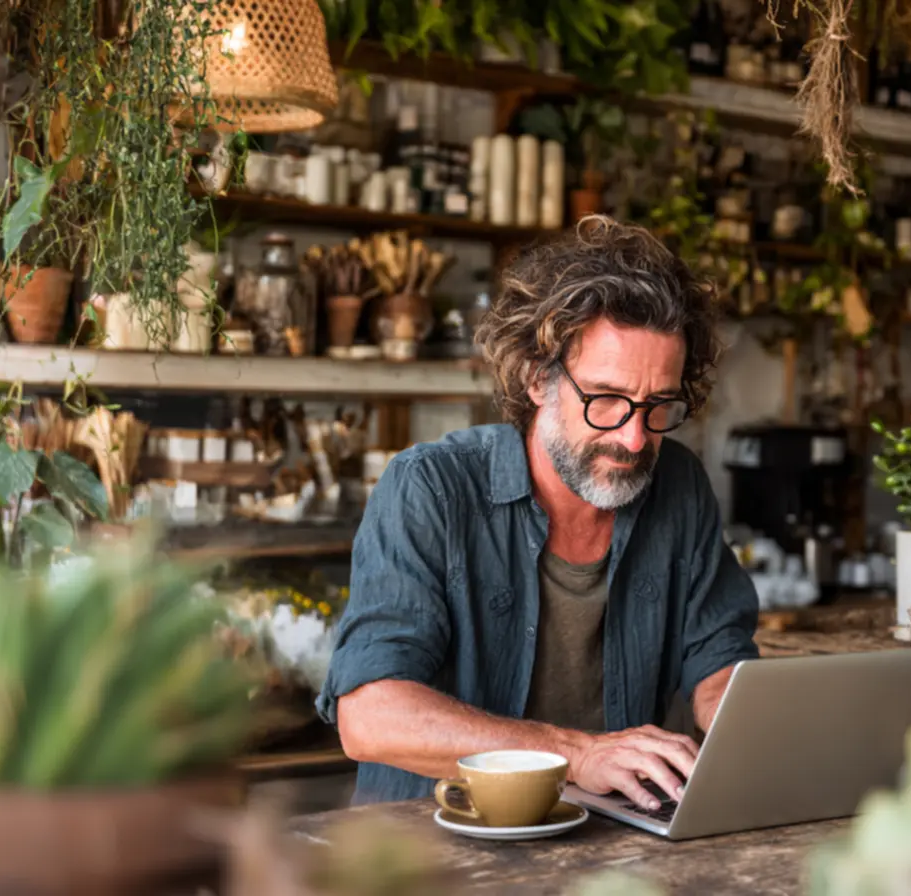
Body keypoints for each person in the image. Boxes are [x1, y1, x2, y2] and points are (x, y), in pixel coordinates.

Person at [317, 216, 761, 810]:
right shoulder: (431, 489)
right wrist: (577, 753)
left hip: (607, 844)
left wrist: (755, 728)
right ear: (536, 378)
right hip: (436, 848)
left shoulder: (677, 483)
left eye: (659, 406)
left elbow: (719, 664)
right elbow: (370, 715)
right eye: (605, 400)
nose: (633, 439)